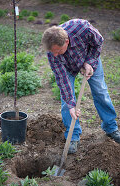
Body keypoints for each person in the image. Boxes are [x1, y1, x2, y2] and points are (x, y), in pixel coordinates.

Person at [42, 19, 120, 154]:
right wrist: (71, 105)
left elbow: (98, 42)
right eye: (52, 52)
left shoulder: (82, 28)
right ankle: (73, 135)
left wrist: (89, 62)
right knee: (67, 102)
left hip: (88, 58)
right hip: (68, 68)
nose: (55, 55)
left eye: (58, 51)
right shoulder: (52, 52)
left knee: (100, 91)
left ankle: (111, 127)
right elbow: (62, 78)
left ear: (66, 41)